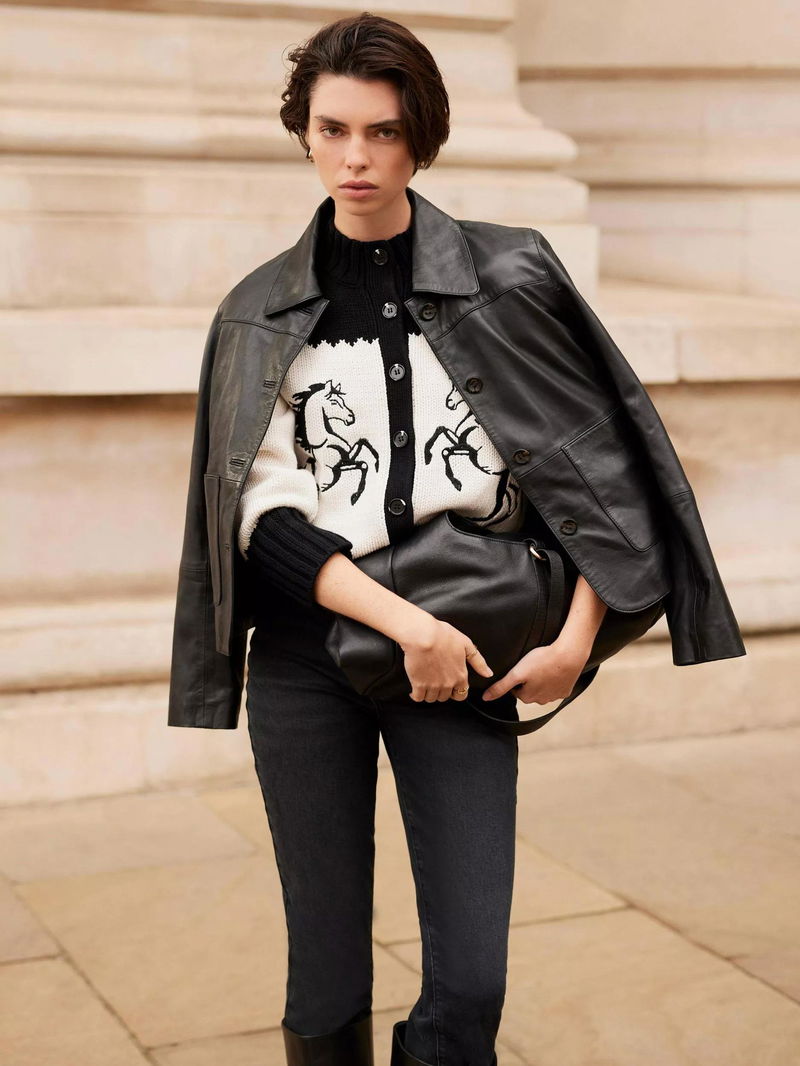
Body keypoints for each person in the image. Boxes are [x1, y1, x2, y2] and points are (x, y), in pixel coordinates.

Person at [232, 13, 611, 1066]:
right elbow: (262, 519)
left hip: (468, 656)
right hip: (309, 662)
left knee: (471, 977)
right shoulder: (260, 311)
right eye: (333, 129)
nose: (356, 157)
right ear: (304, 133)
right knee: (323, 973)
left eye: (384, 132)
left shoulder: (512, 276)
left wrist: (576, 639)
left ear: (421, 138)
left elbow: (600, 479)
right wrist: (408, 628)